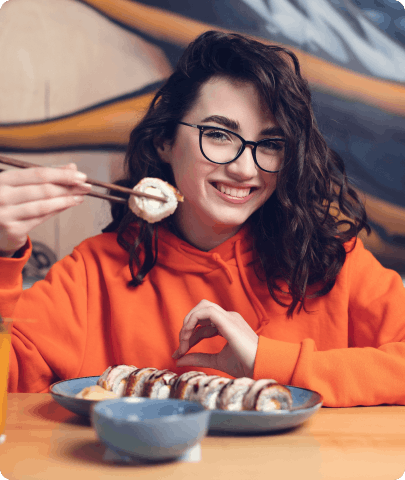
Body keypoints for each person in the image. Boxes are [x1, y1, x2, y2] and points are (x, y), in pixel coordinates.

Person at [1, 31, 405, 408]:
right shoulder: (92, 275)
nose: (246, 170)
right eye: (218, 134)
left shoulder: (332, 261)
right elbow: (10, 385)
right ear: (164, 141)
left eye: (269, 144)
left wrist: (267, 361)